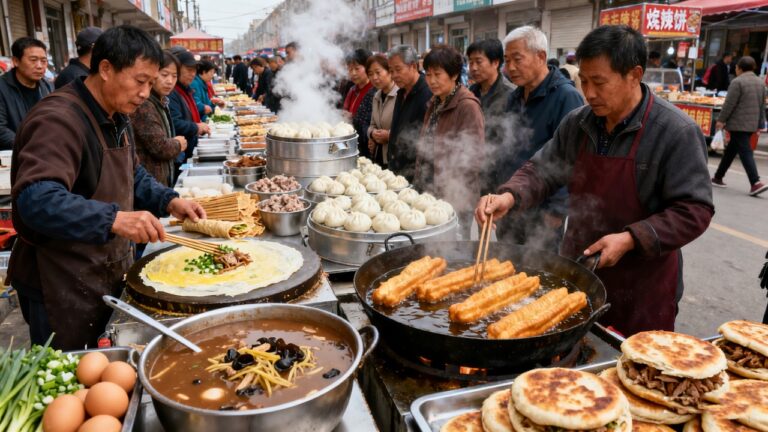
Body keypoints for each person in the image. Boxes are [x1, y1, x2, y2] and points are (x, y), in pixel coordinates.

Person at [476, 25, 714, 337]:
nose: (588, 93)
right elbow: (542, 169)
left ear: (634, 74)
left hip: (643, 285)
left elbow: (694, 210)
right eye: (584, 81)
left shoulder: (675, 131)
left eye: (599, 82)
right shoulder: (579, 123)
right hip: (580, 269)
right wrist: (509, 195)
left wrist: (630, 239)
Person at [8, 25, 205, 349]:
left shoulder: (114, 113)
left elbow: (132, 174)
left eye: (150, 83)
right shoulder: (59, 119)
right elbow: (36, 199)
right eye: (140, 81)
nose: (145, 93)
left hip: (101, 269)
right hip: (59, 281)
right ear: (105, 69)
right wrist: (115, 219)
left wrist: (169, 201)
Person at [498, 26, 583, 251]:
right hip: (511, 199)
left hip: (544, 208)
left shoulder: (566, 97)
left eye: (517, 59)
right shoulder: (514, 97)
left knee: (539, 271)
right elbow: (506, 149)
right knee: (505, 263)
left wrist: (558, 209)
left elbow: (571, 159)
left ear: (541, 57)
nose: (510, 68)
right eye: (507, 61)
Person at [418, 45, 485, 236]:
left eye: (437, 74)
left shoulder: (467, 106)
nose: (431, 81)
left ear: (454, 74)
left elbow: (473, 158)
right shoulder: (436, 101)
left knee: (453, 247)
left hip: (455, 196)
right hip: (430, 190)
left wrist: (451, 194)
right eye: (428, 74)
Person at [711, 56, 768, 196]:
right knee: (731, 151)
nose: (735, 70)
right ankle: (718, 177)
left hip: (738, 124)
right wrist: (761, 123)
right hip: (751, 124)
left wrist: (721, 120)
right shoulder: (760, 83)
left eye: (736, 68)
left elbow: (729, 104)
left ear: (740, 68)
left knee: (745, 152)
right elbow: (762, 105)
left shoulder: (737, 82)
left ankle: (755, 183)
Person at [130, 50, 187, 187]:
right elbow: (159, 147)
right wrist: (178, 144)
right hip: (150, 184)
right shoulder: (144, 104)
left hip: (160, 181)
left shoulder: (161, 100)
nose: (170, 81)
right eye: (164, 75)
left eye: (174, 76)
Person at [466, 39, 514, 194]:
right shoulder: (470, 92)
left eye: (479, 62)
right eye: (470, 62)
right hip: (471, 173)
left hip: (497, 176)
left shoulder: (510, 95)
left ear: (495, 62)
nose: (473, 68)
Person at [388, 45, 432, 181]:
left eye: (398, 70)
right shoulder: (401, 92)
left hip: (415, 173)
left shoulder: (428, 93)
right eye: (391, 71)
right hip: (396, 168)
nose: (394, 76)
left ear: (413, 66)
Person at [0, 37, 53, 150]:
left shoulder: (48, 87)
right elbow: (1, 130)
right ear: (16, 61)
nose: (39, 66)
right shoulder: (2, 88)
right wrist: (31, 146)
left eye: (43, 61)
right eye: (33, 60)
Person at [168, 50, 210, 163]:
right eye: (189, 70)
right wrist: (196, 127)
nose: (193, 74)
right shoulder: (171, 92)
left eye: (194, 70)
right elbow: (174, 123)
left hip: (189, 148)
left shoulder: (186, 89)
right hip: (180, 153)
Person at [366, 54, 398, 167]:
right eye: (370, 74)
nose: (374, 77)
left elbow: (406, 129)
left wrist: (389, 135)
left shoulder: (399, 95)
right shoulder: (376, 96)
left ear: (389, 72)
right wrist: (372, 133)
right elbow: (372, 124)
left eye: (378, 72)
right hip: (379, 155)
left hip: (395, 157)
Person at [344, 48, 375, 159]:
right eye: (350, 69)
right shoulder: (352, 89)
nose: (353, 73)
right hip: (352, 144)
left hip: (366, 148)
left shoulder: (374, 90)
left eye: (357, 69)